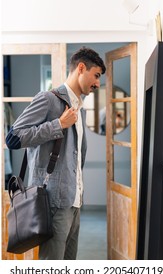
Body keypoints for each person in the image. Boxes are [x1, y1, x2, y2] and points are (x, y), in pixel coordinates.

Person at [5, 47, 106, 260]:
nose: (98, 83)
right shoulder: (48, 99)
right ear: (81, 68)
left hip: (74, 202)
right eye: (96, 75)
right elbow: (13, 137)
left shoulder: (78, 107)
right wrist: (58, 124)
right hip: (53, 202)